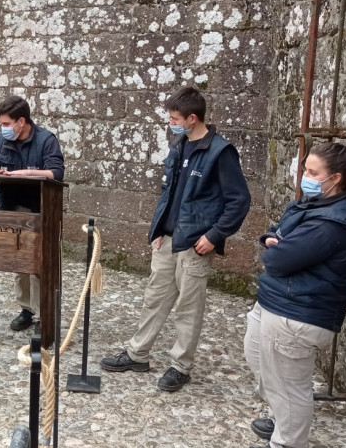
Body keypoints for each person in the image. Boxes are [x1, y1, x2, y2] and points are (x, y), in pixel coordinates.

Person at [100, 86, 251, 391]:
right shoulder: (178, 146)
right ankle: (137, 354)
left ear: (192, 118)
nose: (171, 122)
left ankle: (181, 366)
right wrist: (157, 230)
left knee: (188, 306)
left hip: (196, 243)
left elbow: (239, 200)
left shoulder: (221, 152)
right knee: (154, 298)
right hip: (167, 239)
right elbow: (167, 192)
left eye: (174, 118)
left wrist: (215, 235)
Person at [245, 142, 346, 448]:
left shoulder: (334, 223)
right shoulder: (316, 206)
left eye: (313, 172)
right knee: (258, 358)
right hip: (278, 301)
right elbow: (277, 231)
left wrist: (278, 245)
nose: (305, 176)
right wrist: (274, 239)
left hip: (298, 313)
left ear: (336, 178)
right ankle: (282, 418)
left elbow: (277, 259)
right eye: (305, 169)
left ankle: (288, 440)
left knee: (290, 388)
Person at [0, 95, 65, 331]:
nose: (3, 129)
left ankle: (41, 315)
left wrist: (23, 173)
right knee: (19, 263)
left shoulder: (46, 140)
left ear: (21, 121)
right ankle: (26, 309)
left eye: (6, 124)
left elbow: (56, 173)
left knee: (38, 265)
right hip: (12, 210)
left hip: (40, 210)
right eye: (1, 124)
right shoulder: (1, 140)